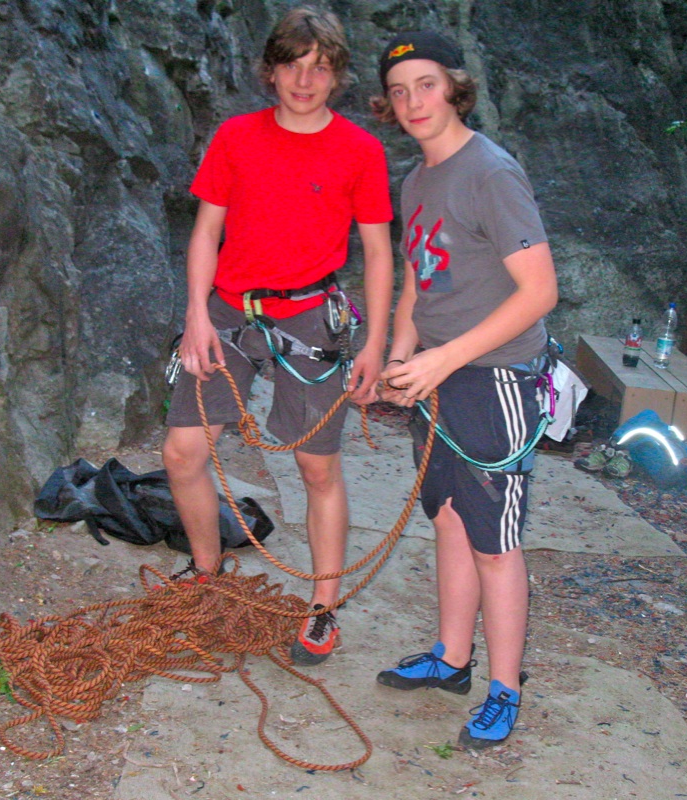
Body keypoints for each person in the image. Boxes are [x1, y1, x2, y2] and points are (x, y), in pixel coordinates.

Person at [162, 6, 393, 667]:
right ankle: (206, 573)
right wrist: (197, 315)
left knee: (317, 466)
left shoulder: (359, 151)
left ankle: (323, 607)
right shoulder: (237, 138)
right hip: (230, 309)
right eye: (293, 66)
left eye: (320, 68)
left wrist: (374, 344)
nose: (304, 81)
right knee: (182, 452)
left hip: (311, 315)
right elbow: (207, 231)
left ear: (337, 76)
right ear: (271, 71)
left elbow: (379, 252)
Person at [370, 31, 558, 747]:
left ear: (454, 87)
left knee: (494, 539)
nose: (412, 101)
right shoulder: (417, 179)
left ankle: (505, 687)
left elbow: (539, 291)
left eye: (426, 84)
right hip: (439, 373)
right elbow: (419, 280)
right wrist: (400, 359)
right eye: (398, 91)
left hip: (495, 376)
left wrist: (443, 360)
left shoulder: (491, 173)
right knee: (448, 516)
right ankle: (451, 659)